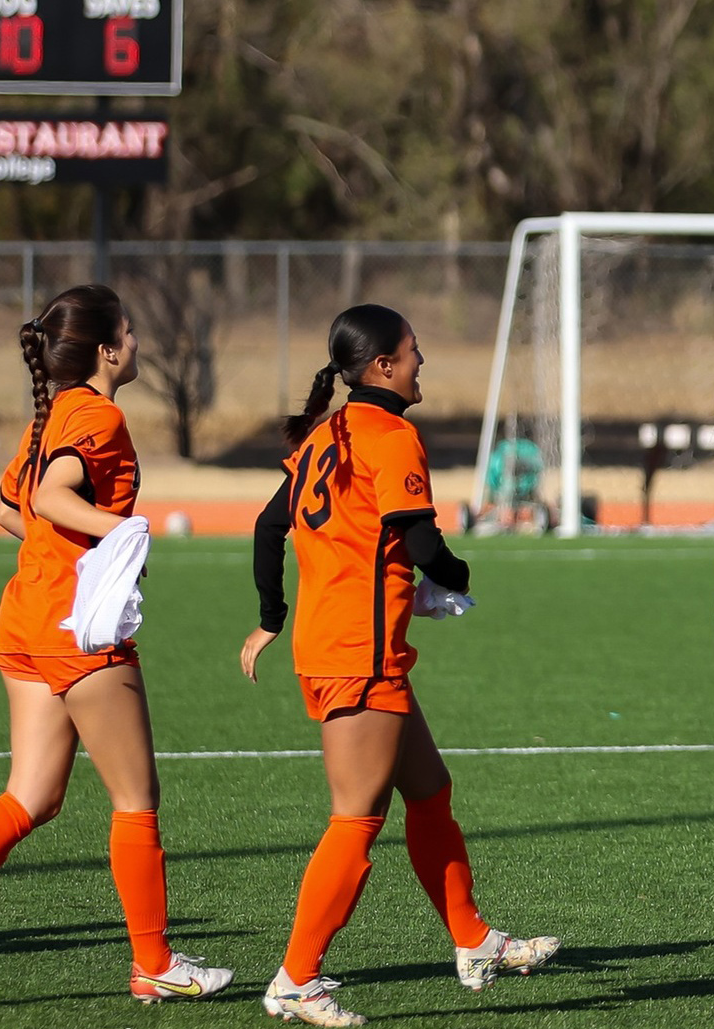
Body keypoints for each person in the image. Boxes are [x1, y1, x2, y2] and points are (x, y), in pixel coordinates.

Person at [243, 304, 558, 1027]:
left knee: (430, 791)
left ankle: (474, 941)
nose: (422, 365)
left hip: (345, 643)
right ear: (382, 366)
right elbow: (419, 540)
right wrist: (458, 572)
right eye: (414, 354)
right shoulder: (391, 434)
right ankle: (296, 978)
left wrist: (270, 618)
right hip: (360, 653)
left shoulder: (328, 431)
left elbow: (269, 526)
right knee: (356, 819)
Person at [0, 286, 233, 1008]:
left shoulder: (55, 413)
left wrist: (72, 549)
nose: (136, 342)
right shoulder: (96, 414)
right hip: (76, 631)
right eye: (129, 332)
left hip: (26, 623)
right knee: (136, 798)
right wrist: (120, 534)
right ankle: (155, 963)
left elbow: (12, 507)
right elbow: (48, 501)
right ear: (106, 350)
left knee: (30, 796)